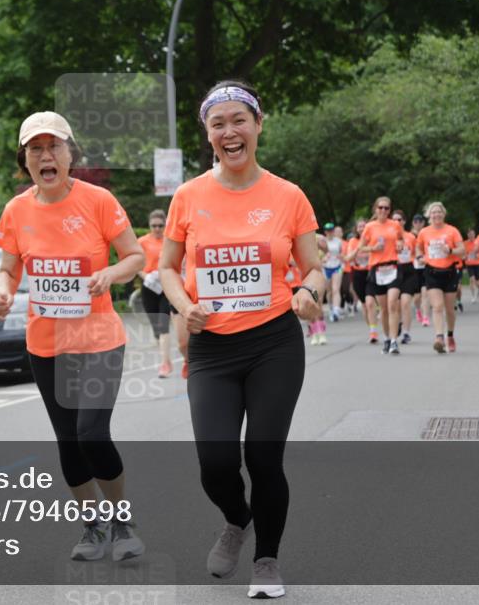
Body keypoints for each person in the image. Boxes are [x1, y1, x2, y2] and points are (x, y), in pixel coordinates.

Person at [159, 80, 324, 599]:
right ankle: (237, 518)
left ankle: (267, 561)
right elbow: (166, 268)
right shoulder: (188, 196)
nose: (230, 132)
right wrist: (185, 307)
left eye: (239, 120)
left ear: (257, 125)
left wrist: (306, 292)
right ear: (207, 134)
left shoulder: (287, 195)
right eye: (218, 124)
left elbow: (314, 267)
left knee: (263, 456)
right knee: (215, 462)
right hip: (211, 346)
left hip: (274, 341)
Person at [0, 111, 146, 562]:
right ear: (25, 159)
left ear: (69, 153)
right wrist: (3, 292)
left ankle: (121, 521)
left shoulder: (98, 201)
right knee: (68, 439)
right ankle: (93, 528)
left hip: (99, 338)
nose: (46, 155)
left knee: (91, 433)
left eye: (54, 146)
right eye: (35, 149)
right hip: (46, 344)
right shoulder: (16, 210)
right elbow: (8, 268)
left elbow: (134, 256)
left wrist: (109, 275)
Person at [415, 202, 465, 353]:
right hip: (432, 272)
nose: (436, 215)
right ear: (429, 215)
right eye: (433, 212)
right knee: (437, 307)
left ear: (444, 214)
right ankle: (439, 338)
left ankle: (450, 335)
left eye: (439, 212)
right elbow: (418, 246)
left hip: (449, 272)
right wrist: (419, 256)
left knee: (450, 310)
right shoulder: (424, 232)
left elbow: (462, 250)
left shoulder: (452, 230)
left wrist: (450, 250)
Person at [360, 196, 405, 355]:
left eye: (386, 208)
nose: (383, 211)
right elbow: (361, 248)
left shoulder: (395, 225)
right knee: (384, 308)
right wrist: (373, 248)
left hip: (393, 266)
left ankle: (394, 341)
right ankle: (386, 338)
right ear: (375, 209)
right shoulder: (370, 227)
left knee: (393, 303)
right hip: (377, 269)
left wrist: (400, 245)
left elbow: (401, 241)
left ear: (390, 210)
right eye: (381, 207)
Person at [137, 209, 176, 377]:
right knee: (156, 325)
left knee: (163, 324)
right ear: (149, 226)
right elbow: (136, 263)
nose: (157, 229)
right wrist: (145, 276)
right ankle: (160, 339)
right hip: (149, 286)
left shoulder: (171, 240)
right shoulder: (142, 242)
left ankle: (165, 364)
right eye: (154, 226)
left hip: (166, 286)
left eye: (160, 225)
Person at [343, 219, 376, 341]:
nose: (362, 228)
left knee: (370, 302)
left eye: (364, 226)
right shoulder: (353, 241)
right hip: (357, 273)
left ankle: (373, 332)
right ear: (356, 229)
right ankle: (371, 328)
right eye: (360, 226)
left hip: (370, 272)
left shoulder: (372, 239)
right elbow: (347, 258)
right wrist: (358, 248)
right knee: (364, 305)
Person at [391, 209, 418, 345]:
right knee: (395, 304)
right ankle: (398, 323)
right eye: (394, 220)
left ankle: (406, 333)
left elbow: (417, 251)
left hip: (408, 270)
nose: (396, 222)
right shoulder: (389, 236)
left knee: (406, 303)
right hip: (393, 270)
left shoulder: (411, 237)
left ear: (404, 222)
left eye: (399, 220)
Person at [321, 222, 344, 322]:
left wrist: (341, 258)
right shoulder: (322, 241)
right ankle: (330, 307)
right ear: (325, 232)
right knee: (329, 291)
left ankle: (336, 311)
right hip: (326, 267)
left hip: (337, 266)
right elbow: (319, 256)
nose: (329, 232)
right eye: (327, 230)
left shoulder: (338, 241)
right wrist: (323, 259)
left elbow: (342, 253)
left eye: (331, 230)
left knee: (335, 289)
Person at [411, 213, 431, 327]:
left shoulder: (427, 234)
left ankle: (425, 317)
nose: (418, 223)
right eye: (415, 222)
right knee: (417, 297)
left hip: (426, 267)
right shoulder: (410, 236)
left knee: (425, 294)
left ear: (423, 223)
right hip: (414, 268)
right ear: (413, 223)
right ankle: (418, 310)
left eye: (420, 221)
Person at [464, 227, 479, 303]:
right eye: (469, 234)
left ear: (474, 234)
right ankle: (473, 296)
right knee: (472, 280)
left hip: (477, 264)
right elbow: (463, 254)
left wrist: (478, 255)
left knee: (478, 282)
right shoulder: (465, 243)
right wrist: (465, 256)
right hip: (469, 264)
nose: (471, 235)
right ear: (467, 235)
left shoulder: (478, 242)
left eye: (472, 234)